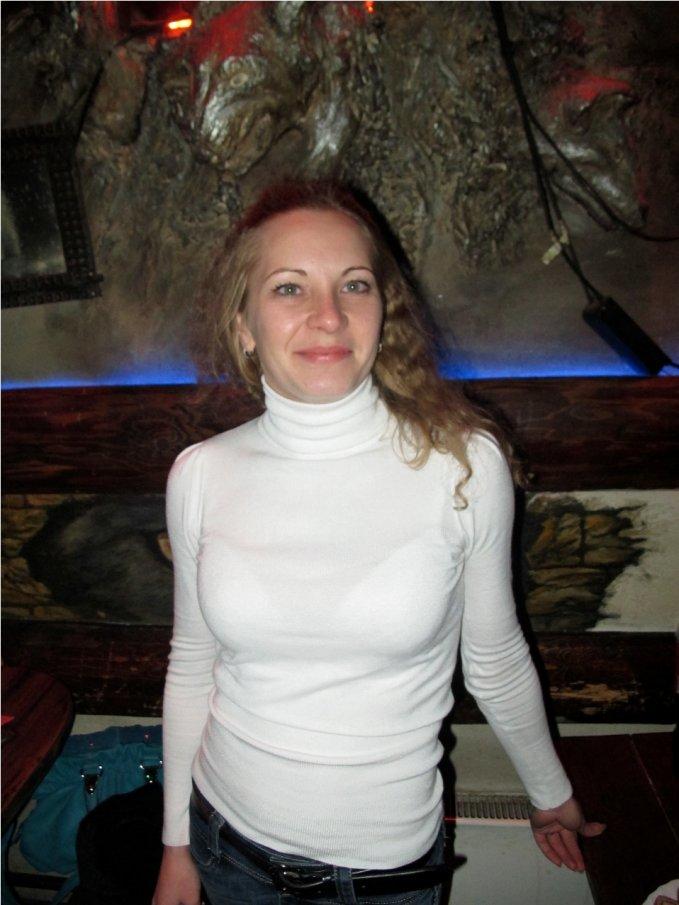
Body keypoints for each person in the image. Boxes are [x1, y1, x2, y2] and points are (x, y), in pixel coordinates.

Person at [152, 180, 604, 905]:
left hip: (386, 877)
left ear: (382, 311)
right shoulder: (200, 473)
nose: (328, 314)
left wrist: (551, 795)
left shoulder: (463, 461)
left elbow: (493, 658)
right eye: (290, 288)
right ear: (244, 325)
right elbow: (192, 665)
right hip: (225, 846)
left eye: (353, 284)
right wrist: (176, 845)